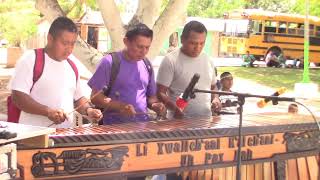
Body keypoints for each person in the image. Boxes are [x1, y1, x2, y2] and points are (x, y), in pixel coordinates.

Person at [9, 16, 102, 128]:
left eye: (72, 44)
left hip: (64, 136)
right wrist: (47, 111)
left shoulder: (72, 66)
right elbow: (18, 97)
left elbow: (78, 98)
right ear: (50, 38)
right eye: (64, 43)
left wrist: (89, 110)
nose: (69, 48)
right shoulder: (30, 59)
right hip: (33, 136)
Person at [88, 23, 166, 125]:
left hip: (142, 129)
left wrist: (156, 105)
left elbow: (151, 98)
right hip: (113, 130)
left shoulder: (147, 65)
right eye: (139, 46)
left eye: (147, 47)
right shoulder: (110, 62)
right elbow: (95, 97)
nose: (144, 52)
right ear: (126, 42)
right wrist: (120, 107)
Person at [157, 20, 221, 120]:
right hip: (178, 122)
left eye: (202, 43)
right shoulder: (170, 60)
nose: (198, 47)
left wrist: (216, 98)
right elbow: (160, 92)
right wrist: (174, 108)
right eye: (193, 43)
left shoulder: (208, 60)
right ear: (182, 39)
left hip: (205, 120)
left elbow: (213, 87)